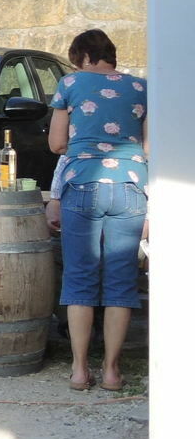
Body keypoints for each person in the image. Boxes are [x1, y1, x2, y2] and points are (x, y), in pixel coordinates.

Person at [46, 28, 148, 391]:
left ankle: (78, 370)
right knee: (121, 282)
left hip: (82, 184)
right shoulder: (141, 87)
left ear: (83, 56)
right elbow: (150, 146)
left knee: (80, 278)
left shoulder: (70, 84)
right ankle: (111, 372)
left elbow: (57, 143)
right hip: (130, 185)